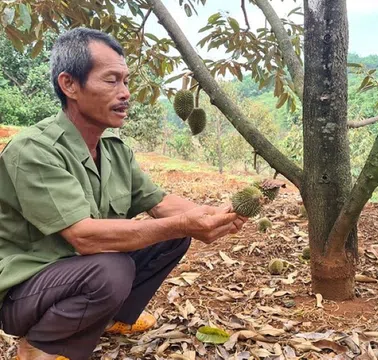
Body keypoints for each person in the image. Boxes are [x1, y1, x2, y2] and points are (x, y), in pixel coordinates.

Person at [0, 28, 246, 360]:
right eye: (111, 80)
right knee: (112, 270)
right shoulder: (34, 150)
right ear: (69, 85)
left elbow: (159, 204)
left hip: (78, 272)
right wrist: (182, 223)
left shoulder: (114, 150)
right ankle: (40, 344)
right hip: (24, 291)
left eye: (126, 81)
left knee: (173, 236)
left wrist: (213, 213)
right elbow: (84, 238)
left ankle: (112, 319)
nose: (125, 92)